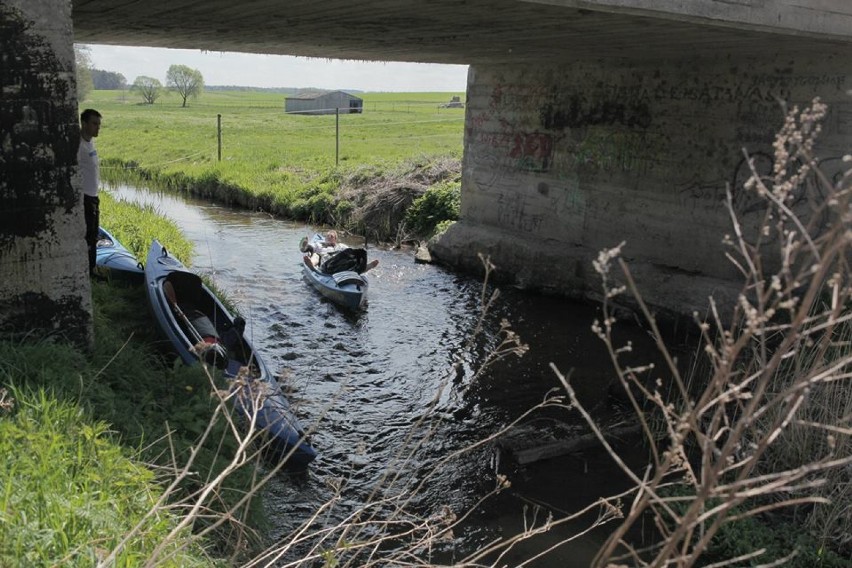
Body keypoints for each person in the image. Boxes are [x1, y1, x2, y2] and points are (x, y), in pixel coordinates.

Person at [78, 109, 102, 277]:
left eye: (99, 124)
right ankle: (89, 272)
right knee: (88, 236)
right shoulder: (79, 146)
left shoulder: (90, 142)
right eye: (94, 124)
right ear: (84, 124)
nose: (97, 128)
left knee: (94, 235)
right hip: (86, 198)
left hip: (94, 196)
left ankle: (91, 269)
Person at [302, 230, 379, 274]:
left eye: (331, 237)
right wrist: (306, 245)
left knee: (360, 252)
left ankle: (363, 267)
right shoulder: (319, 244)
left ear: (335, 239)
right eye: (327, 236)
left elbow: (351, 252)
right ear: (325, 238)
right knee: (316, 255)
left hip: (339, 263)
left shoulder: (341, 246)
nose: (329, 238)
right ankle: (311, 265)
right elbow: (308, 248)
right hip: (327, 264)